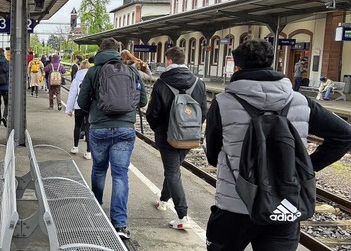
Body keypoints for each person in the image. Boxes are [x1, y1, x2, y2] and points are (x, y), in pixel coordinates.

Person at [204, 39, 351, 250]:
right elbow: (344, 135)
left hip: (235, 205)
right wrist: (306, 167)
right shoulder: (301, 101)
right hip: (284, 205)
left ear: (237, 67)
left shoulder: (223, 102)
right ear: (272, 64)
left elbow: (212, 154)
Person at [77, 38, 147, 240]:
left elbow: (82, 102)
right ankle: (119, 224)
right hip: (125, 130)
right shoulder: (131, 70)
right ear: (118, 51)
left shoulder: (93, 71)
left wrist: (96, 108)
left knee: (99, 169)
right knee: (120, 175)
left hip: (99, 129)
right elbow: (142, 100)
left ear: (100, 51)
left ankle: (96, 212)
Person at [145, 46, 207, 230]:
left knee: (172, 172)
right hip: (189, 135)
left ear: (169, 60)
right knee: (173, 170)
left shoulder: (162, 83)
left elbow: (152, 113)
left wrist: (159, 130)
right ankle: (163, 200)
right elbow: (203, 112)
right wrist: (191, 127)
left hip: (167, 136)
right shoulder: (198, 82)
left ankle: (182, 215)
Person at [65, 60, 92, 159]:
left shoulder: (77, 78)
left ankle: (75, 147)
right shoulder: (92, 77)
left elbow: (72, 95)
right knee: (89, 127)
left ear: (80, 67)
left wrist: (69, 109)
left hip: (78, 105)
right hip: (89, 107)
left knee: (77, 126)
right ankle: (89, 152)